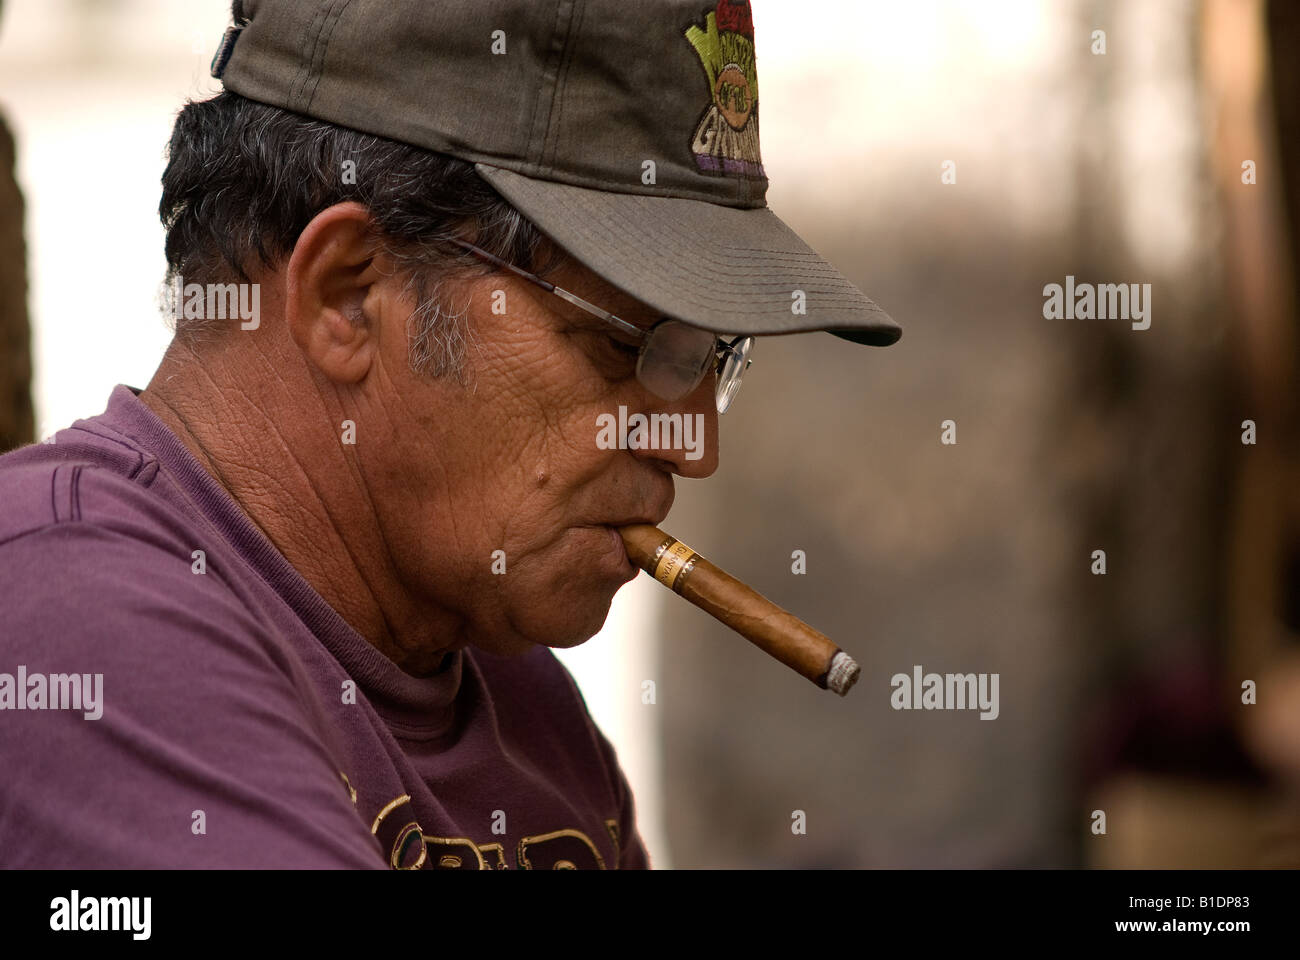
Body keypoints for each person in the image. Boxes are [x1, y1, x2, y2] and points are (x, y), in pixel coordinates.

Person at [0, 0, 899, 869]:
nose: (694, 447)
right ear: (347, 295)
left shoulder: (523, 708)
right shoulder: (72, 621)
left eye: (713, 359)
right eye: (630, 344)